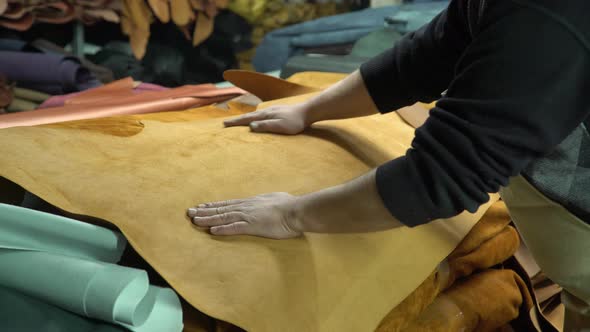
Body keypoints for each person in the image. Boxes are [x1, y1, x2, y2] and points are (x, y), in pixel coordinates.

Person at [188, 0, 590, 329]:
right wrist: (310, 110)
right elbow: (431, 54)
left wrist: (292, 215)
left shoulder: (551, 17)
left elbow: (441, 175)